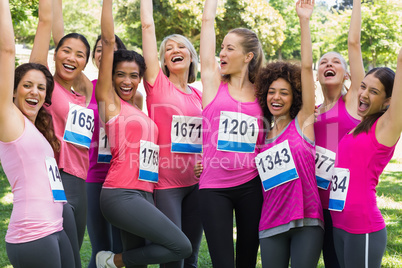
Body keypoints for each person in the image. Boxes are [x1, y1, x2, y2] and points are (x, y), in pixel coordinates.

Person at [95, 0, 192, 267]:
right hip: (121, 192)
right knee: (180, 246)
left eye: (133, 76)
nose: (127, 81)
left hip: (146, 191)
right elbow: (107, 38)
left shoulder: (137, 107)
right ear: (111, 77)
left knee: (136, 260)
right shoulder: (110, 102)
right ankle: (111, 261)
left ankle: (118, 261)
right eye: (120, 75)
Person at [0, 0, 74, 266]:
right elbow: (7, 50)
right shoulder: (9, 119)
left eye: (41, 88)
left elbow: (45, 21)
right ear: (13, 89)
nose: (35, 92)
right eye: (27, 85)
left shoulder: (35, 127)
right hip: (32, 235)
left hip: (55, 226)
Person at [254, 1, 324, 267]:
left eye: (284, 92)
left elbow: (306, 69)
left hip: (308, 220)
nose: (276, 97)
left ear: (294, 96)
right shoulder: (261, 135)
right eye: (272, 91)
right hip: (271, 222)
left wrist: (303, 21)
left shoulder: (303, 122)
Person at [199, 0, 265, 266]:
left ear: (248, 56)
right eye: (221, 47)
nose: (222, 53)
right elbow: (206, 24)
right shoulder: (214, 82)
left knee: (247, 260)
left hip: (252, 185)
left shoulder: (264, 92)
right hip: (214, 187)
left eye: (229, 48)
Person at [141, 0, 203, 267]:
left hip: (197, 183)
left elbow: (205, 137)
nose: (174, 50)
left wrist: (205, 160)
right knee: (173, 254)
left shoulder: (200, 94)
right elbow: (147, 26)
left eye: (180, 47)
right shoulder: (158, 85)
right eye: (168, 49)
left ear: (191, 56)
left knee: (191, 254)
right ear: (163, 60)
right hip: (167, 184)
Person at [330, 47, 401, 267]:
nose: (363, 94)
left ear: (388, 101)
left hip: (363, 227)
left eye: (373, 91)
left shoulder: (386, 126)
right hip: (340, 225)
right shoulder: (358, 127)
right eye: (363, 87)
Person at [313, 0, 364, 266]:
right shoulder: (313, 112)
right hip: (317, 203)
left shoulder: (354, 100)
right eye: (323, 62)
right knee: (330, 260)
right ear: (318, 73)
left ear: (346, 74)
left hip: (346, 201)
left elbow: (353, 45)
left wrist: (356, 3)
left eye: (336, 62)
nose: (329, 64)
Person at [85, 34, 127, 268]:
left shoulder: (129, 91)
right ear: (93, 57)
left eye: (110, 48)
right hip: (92, 175)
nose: (105, 53)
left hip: (121, 179)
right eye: (99, 49)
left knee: (120, 250)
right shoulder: (83, 87)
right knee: (100, 249)